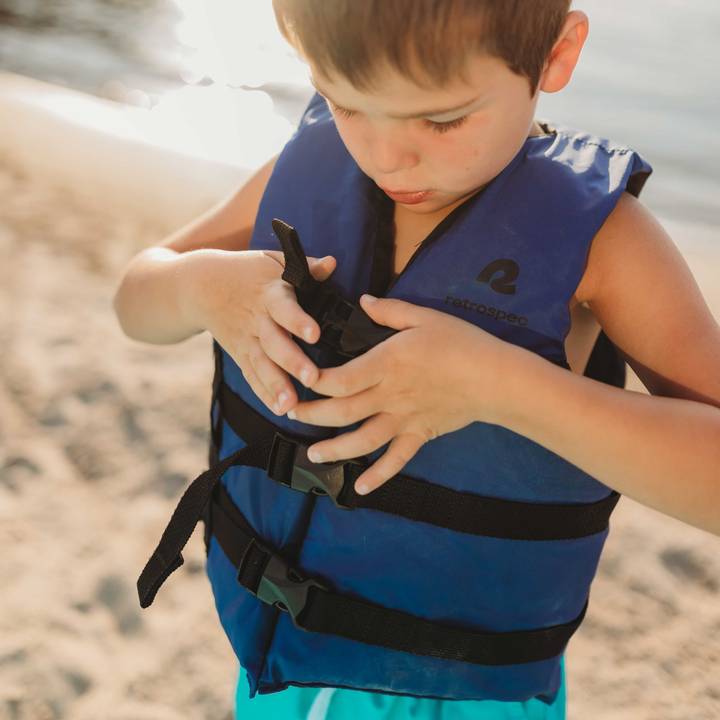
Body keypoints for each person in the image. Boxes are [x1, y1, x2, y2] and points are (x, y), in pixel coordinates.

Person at [113, 1, 720, 718]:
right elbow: (134, 302)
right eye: (344, 102)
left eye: (441, 121)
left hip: (466, 695)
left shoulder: (605, 245)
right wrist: (202, 288)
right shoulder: (315, 162)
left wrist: (497, 386)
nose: (385, 156)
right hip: (282, 678)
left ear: (556, 56)